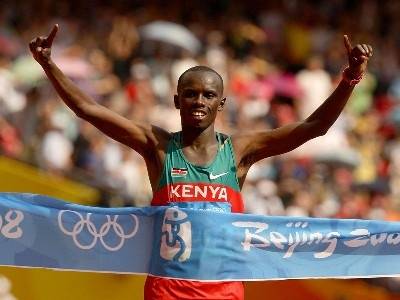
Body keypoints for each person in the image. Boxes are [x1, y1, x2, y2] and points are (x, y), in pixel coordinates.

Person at [29, 24, 372, 300]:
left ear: (221, 103)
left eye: (208, 95)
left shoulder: (239, 151)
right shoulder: (158, 147)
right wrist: (48, 64)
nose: (198, 101)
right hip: (167, 293)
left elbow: (315, 127)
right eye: (190, 93)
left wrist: (349, 78)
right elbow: (89, 110)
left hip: (224, 292)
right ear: (177, 100)